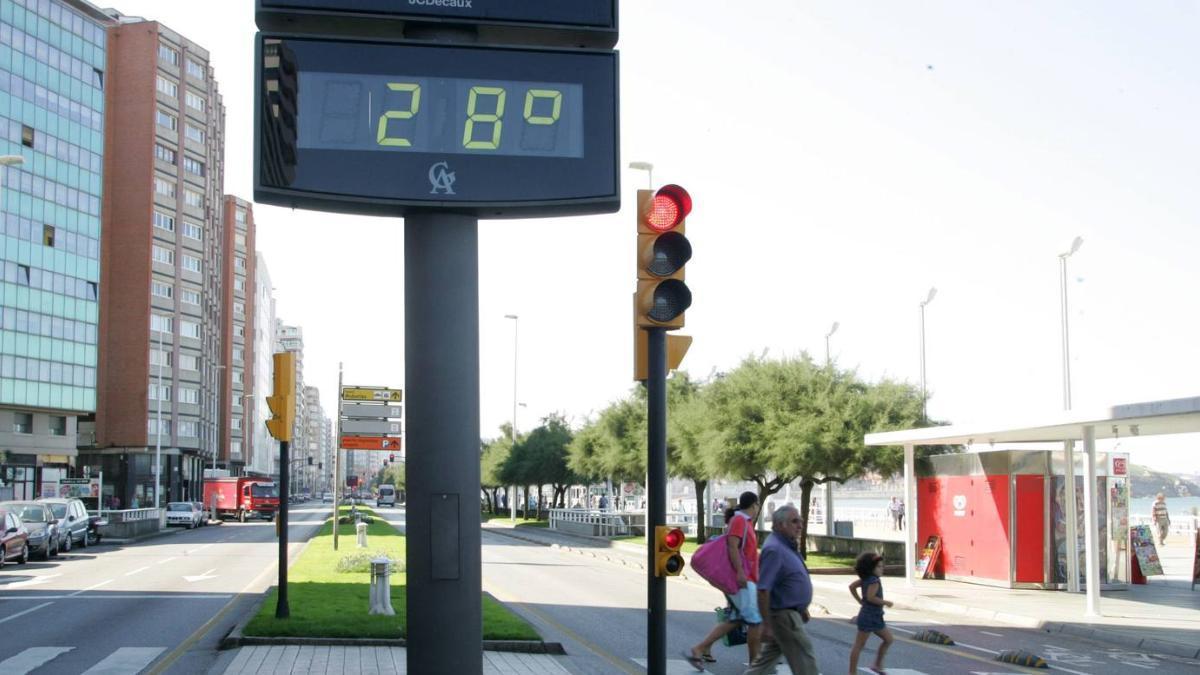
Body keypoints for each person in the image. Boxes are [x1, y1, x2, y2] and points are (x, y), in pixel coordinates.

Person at [685, 491, 763, 670]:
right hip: (743, 580)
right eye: (757, 505)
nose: (758, 509)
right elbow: (732, 546)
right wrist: (740, 572)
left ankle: (699, 648)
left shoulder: (744, 522)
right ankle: (755, 666)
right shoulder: (740, 521)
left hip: (748, 578)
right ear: (753, 505)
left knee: (736, 619)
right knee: (754, 621)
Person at [741, 505, 818, 674]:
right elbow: (763, 589)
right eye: (795, 521)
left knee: (763, 666)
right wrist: (766, 624)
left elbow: (785, 580)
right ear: (780, 525)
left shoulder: (785, 546)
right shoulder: (774, 549)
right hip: (784, 616)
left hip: (789, 613)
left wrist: (801, 607)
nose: (800, 525)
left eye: (801, 521)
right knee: (805, 660)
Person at [848, 553, 894, 675]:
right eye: (879, 566)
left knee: (888, 639)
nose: (882, 569)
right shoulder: (874, 581)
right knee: (859, 645)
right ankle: (852, 672)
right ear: (871, 568)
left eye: (882, 566)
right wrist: (886, 602)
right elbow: (871, 598)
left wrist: (859, 600)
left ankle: (877, 665)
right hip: (869, 616)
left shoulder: (866, 579)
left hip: (875, 616)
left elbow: (852, 587)